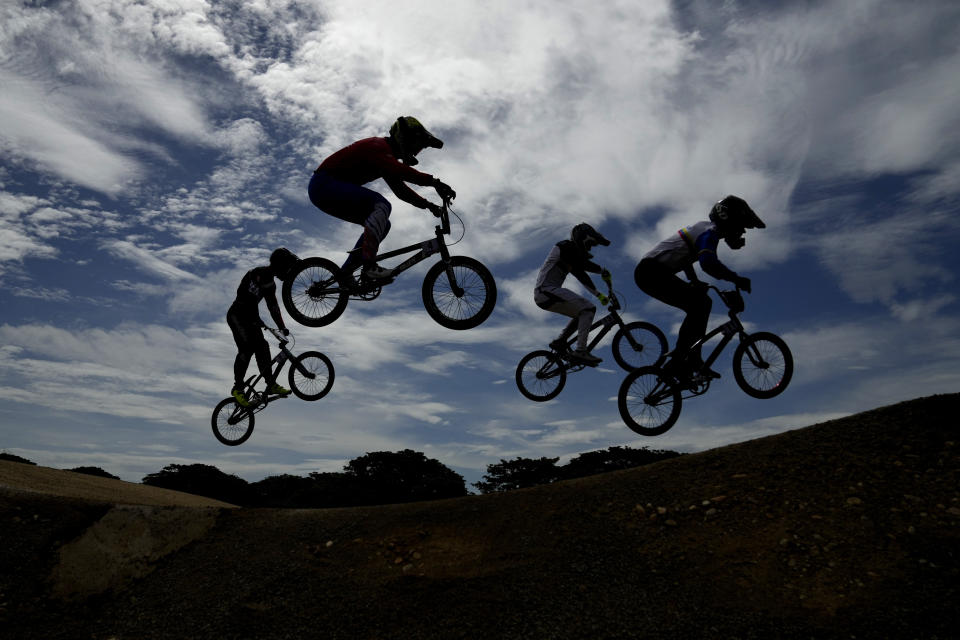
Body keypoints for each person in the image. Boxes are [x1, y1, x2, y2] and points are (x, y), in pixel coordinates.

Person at [308, 116, 456, 284]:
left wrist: (427, 205)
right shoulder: (378, 146)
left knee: (383, 224)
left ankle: (346, 273)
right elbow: (402, 171)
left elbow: (401, 190)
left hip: (325, 190)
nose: (415, 152)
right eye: (415, 146)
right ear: (403, 139)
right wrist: (433, 182)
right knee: (382, 205)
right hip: (324, 184)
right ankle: (369, 267)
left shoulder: (385, 157)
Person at [634, 195, 764, 378]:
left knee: (700, 304)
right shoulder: (710, 232)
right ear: (728, 219)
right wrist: (736, 279)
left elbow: (686, 258)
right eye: (740, 226)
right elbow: (708, 263)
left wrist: (694, 281)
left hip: (651, 273)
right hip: (650, 272)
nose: (741, 232)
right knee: (701, 304)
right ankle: (683, 359)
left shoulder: (705, 229)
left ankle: (687, 359)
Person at [227, 248, 298, 407]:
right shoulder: (257, 273)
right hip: (237, 316)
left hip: (251, 319)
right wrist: (256, 317)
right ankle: (238, 388)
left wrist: (282, 327)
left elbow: (273, 307)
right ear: (279, 264)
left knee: (263, 347)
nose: (287, 271)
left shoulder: (271, 284)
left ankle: (270, 384)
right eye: (287, 266)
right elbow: (245, 296)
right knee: (246, 348)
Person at [534, 223, 612, 365]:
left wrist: (599, 295)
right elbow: (583, 264)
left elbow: (583, 277)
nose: (589, 248)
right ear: (582, 238)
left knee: (581, 312)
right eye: (589, 244)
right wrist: (602, 270)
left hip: (546, 294)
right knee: (588, 309)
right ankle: (581, 351)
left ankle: (560, 342)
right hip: (545, 290)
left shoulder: (572, 258)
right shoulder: (565, 247)